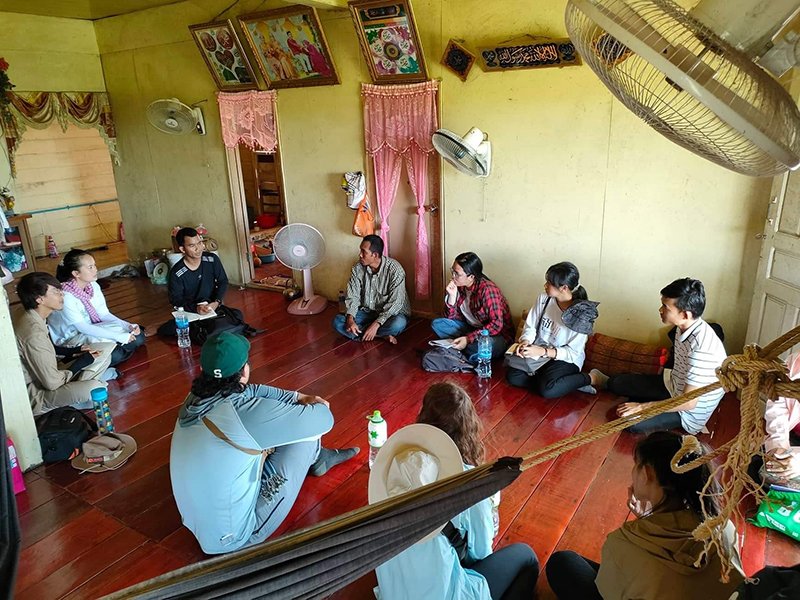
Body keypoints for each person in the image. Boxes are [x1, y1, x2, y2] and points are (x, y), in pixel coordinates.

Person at [170, 331, 359, 554]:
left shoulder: (195, 398)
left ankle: (317, 459)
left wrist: (296, 397)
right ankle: (316, 456)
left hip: (197, 525)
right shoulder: (240, 412)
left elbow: (252, 390)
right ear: (245, 370)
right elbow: (323, 419)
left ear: (202, 369)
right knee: (305, 434)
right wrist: (309, 403)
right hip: (237, 537)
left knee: (282, 422)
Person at [372, 383, 539, 600]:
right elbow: (481, 552)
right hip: (446, 593)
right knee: (527, 556)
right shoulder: (468, 483)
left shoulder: (392, 469)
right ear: (468, 427)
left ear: (423, 418)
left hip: (394, 591)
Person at [546, 431, 744, 600]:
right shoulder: (724, 527)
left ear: (647, 473)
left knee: (562, 563)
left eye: (636, 464)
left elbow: (608, 592)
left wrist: (645, 524)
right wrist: (650, 520)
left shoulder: (623, 543)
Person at [590, 278, 727, 434]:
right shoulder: (682, 327)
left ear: (684, 314)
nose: (660, 310)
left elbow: (689, 403)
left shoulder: (701, 349)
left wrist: (642, 407)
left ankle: (644, 403)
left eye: (665, 307)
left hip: (688, 411)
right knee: (617, 382)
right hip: (673, 385)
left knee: (630, 423)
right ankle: (614, 386)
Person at [13, 272, 115, 415]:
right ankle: (68, 400)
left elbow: (45, 349)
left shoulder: (28, 312)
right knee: (94, 388)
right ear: (39, 299)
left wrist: (73, 351)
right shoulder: (33, 333)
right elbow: (52, 383)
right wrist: (80, 363)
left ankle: (75, 393)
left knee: (103, 353)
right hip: (34, 391)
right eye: (56, 292)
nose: (63, 295)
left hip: (46, 373)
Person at [506, 262, 599, 398]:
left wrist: (543, 352)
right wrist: (526, 342)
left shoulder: (581, 314)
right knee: (513, 377)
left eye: (549, 283)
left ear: (564, 288)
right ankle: (566, 383)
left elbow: (573, 353)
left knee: (548, 390)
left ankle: (591, 378)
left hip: (565, 358)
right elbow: (531, 326)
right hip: (539, 352)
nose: (545, 285)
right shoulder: (544, 299)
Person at [48, 249, 144, 371]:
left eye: (94, 265)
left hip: (94, 328)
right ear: (76, 273)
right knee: (116, 354)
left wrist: (127, 326)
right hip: (73, 338)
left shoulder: (93, 286)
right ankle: (116, 352)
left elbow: (103, 314)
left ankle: (114, 353)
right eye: (90, 267)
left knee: (139, 336)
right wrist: (119, 336)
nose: (95, 270)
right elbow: (82, 327)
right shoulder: (65, 296)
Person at [161, 227, 262, 338]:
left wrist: (217, 302)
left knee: (237, 314)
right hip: (191, 311)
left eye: (199, 243)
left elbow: (223, 281)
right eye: (192, 246)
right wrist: (196, 308)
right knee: (172, 328)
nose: (198, 248)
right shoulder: (177, 273)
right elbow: (176, 300)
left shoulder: (211, 259)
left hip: (211, 307)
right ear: (182, 249)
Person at [431, 252, 514, 362]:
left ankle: (463, 350)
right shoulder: (460, 286)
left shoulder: (487, 290)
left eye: (457, 274)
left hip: (495, 335)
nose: (453, 276)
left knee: (476, 348)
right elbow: (450, 318)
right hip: (472, 329)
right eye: (453, 271)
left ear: (471, 277)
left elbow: (496, 325)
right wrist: (452, 297)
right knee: (438, 324)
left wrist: (468, 339)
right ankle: (464, 350)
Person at [332, 235, 410, 344]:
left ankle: (368, 333)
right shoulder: (357, 268)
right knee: (337, 322)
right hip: (367, 312)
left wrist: (376, 324)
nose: (360, 255)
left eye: (363, 252)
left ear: (375, 255)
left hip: (390, 314)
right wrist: (350, 319)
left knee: (398, 324)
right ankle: (380, 335)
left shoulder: (395, 270)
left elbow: (395, 303)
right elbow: (353, 296)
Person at [759, 352, 800, 490]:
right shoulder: (795, 362)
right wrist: (778, 446)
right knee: (763, 468)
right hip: (792, 435)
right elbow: (778, 405)